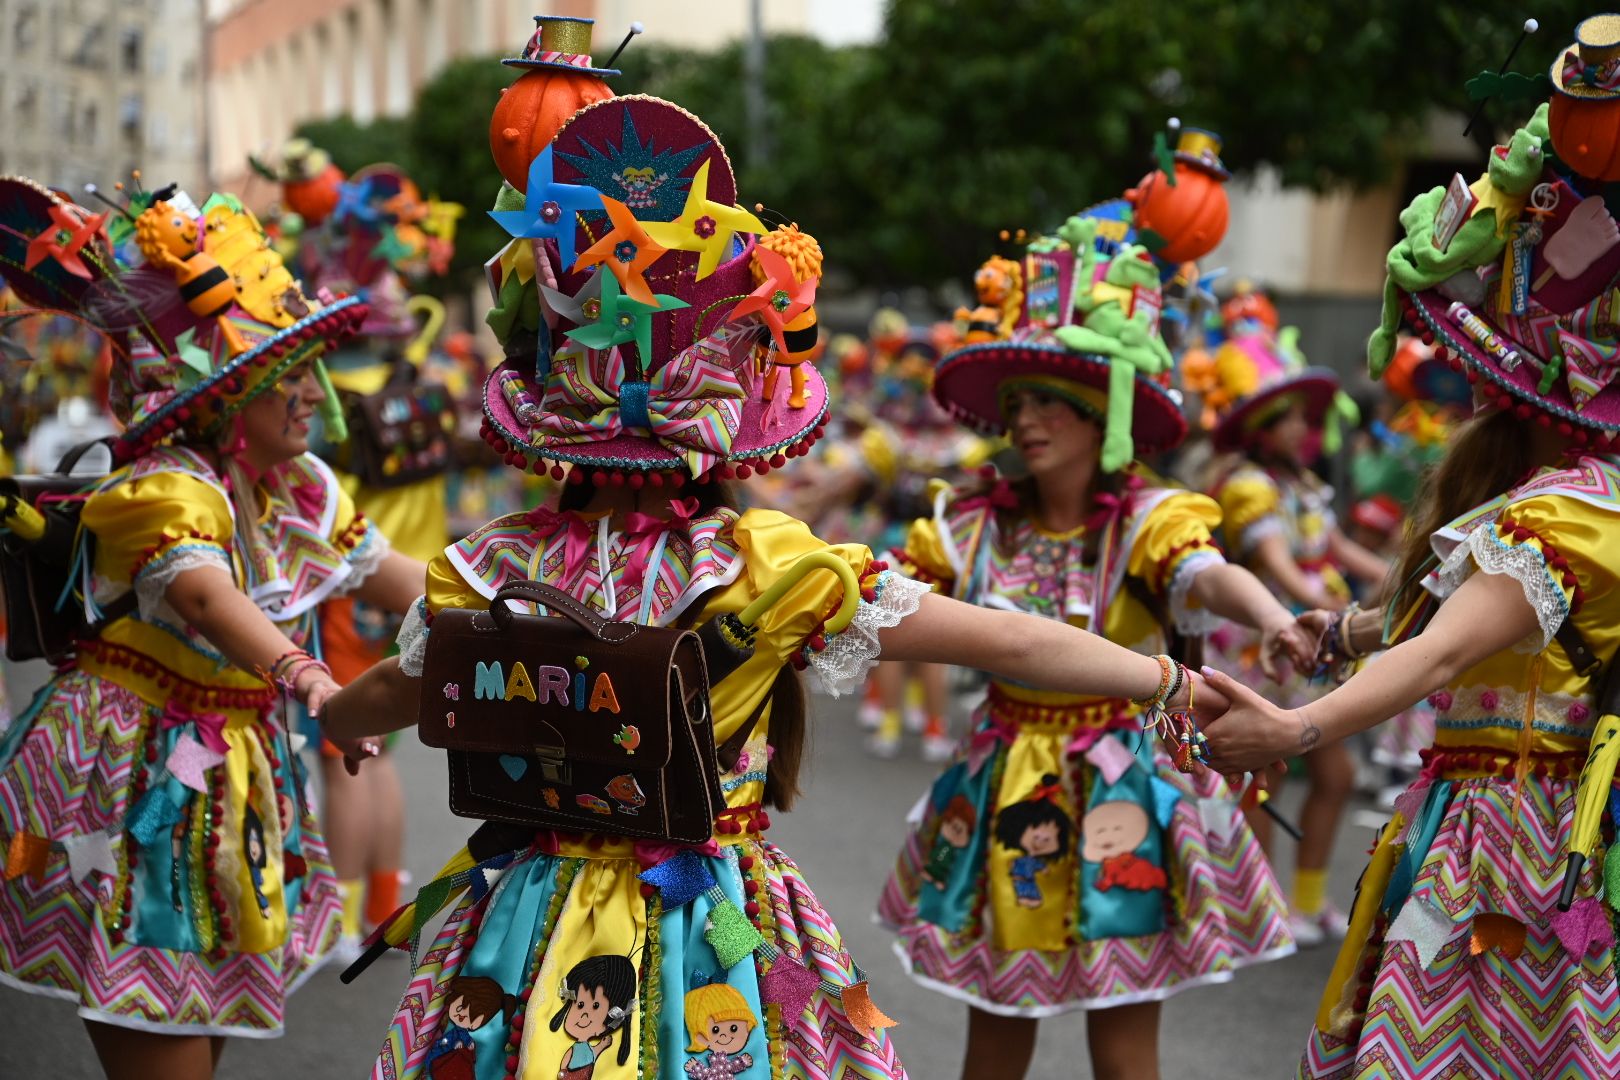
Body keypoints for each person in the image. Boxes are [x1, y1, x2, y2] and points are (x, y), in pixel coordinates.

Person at [318, 74, 1232, 1080]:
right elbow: (1009, 638)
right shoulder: (771, 567)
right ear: (733, 435)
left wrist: (340, 723)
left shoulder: (493, 565)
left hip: (525, 920)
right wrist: (1174, 681)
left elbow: (392, 694)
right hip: (712, 924)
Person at [1201, 69, 1620, 1078]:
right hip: (1485, 817)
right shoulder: (1544, 498)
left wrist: (1296, 727)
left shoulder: (1575, 508)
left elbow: (1442, 655)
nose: (1464, 377)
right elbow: (1450, 622)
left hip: (1518, 838)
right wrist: (1332, 632)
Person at [0, 176, 423, 1078]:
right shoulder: (166, 489)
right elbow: (200, 593)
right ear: (223, 399)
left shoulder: (297, 489)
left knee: (202, 1025)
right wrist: (305, 675)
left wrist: (530, 603)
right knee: (163, 1039)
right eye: (286, 375)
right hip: (134, 781)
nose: (311, 393)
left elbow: (405, 579)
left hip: (229, 780)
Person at [877, 208, 1309, 1080]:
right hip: (1006, 790)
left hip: (1124, 787)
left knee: (1123, 1046)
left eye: (1051, 402)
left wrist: (1272, 617)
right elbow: (886, 595)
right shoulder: (966, 526)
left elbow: (1208, 573)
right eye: (1018, 403)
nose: (1027, 420)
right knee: (995, 1035)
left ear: (1101, 413)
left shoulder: (1151, 519)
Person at [1198, 289, 1388, 946]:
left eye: (1301, 419)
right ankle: (1257, 910)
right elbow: (1275, 562)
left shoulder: (1305, 484)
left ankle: (1303, 901)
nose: (1301, 429)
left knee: (1332, 775)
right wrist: (1328, 610)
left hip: (1319, 642)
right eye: (1286, 419)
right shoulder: (1248, 485)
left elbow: (1334, 547)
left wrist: (1399, 581)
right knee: (1263, 780)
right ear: (1260, 427)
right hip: (1271, 644)